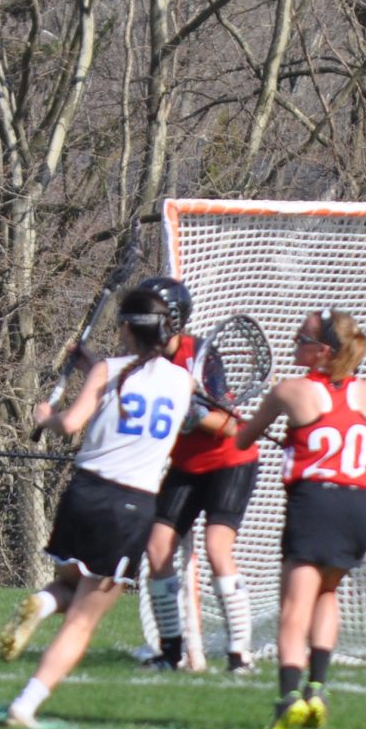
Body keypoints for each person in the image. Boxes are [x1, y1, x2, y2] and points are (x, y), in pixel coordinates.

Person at [0, 283, 197, 729]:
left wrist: (45, 417)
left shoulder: (108, 370)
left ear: (126, 328)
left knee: (72, 584)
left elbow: (71, 423)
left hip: (84, 494)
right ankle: (26, 704)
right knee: (83, 621)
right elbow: (146, 390)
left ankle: (43, 602)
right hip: (131, 505)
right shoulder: (183, 382)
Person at [231, 309, 366, 729]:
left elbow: (242, 439)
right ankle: (317, 689)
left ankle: (289, 699)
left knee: (294, 606)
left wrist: (290, 438)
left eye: (302, 339)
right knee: (327, 592)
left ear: (323, 351)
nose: (294, 343)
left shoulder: (290, 390)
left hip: (316, 504)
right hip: (360, 506)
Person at [141, 277, 263, 673]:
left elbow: (228, 425)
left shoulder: (200, 356)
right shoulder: (144, 359)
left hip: (230, 461)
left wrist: (191, 413)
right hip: (186, 465)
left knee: (216, 549)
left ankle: (240, 654)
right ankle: (170, 651)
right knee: (157, 548)